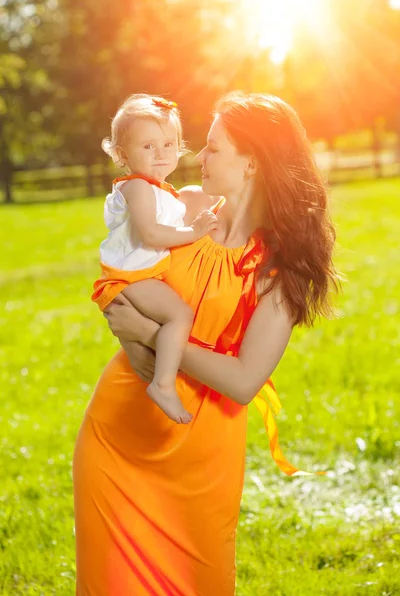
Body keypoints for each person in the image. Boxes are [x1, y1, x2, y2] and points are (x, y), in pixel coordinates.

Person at [73, 92, 339, 595]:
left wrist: (151, 336)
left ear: (252, 162)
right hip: (117, 437)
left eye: (214, 148)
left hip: (200, 463)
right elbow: (119, 288)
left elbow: (242, 382)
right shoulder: (179, 209)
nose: (199, 157)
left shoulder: (279, 273)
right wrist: (125, 320)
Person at [92, 94, 217, 424]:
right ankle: (163, 385)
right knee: (179, 316)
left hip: (142, 273)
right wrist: (195, 230)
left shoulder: (159, 189)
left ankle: (157, 377)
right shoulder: (137, 188)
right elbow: (152, 234)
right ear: (122, 155)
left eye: (168, 144)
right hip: (131, 276)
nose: (161, 153)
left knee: (164, 326)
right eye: (148, 147)